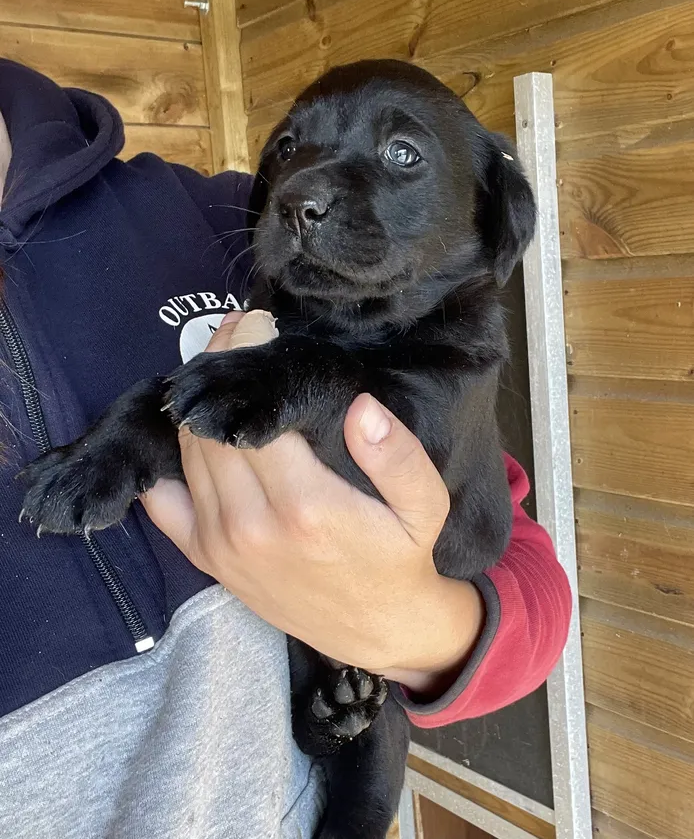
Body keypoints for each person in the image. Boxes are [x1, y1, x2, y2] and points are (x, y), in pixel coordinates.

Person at [0, 58, 571, 838]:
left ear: (495, 216)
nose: (308, 186)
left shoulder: (201, 214)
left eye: (403, 153)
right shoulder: (268, 271)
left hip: (321, 761)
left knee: (368, 764)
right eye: (289, 152)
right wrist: (150, 427)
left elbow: (515, 562)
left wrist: (424, 628)